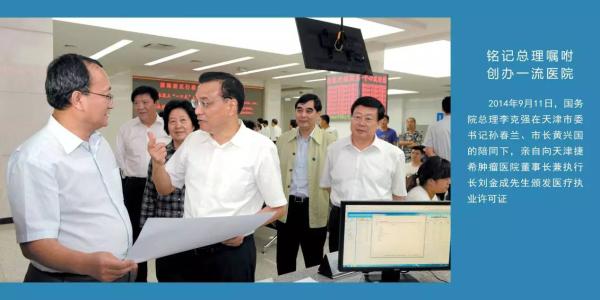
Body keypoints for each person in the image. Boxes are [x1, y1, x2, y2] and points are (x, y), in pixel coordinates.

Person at [6, 53, 137, 282]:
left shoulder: (100, 144)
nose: (112, 103)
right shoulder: (35, 158)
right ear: (78, 99)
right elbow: (35, 244)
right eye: (107, 95)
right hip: (72, 280)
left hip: (117, 273)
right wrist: (87, 264)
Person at [147, 71, 287, 282]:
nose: (198, 111)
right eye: (197, 103)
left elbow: (278, 207)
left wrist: (244, 228)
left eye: (205, 103)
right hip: (189, 246)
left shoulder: (260, 148)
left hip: (231, 254)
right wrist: (158, 164)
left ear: (230, 105)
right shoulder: (194, 140)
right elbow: (165, 188)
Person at [320, 96, 407, 252]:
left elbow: (398, 196)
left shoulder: (394, 154)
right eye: (357, 117)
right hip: (340, 218)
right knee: (340, 267)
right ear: (351, 118)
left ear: (380, 123)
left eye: (368, 119)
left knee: (374, 267)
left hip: (378, 219)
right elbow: (327, 185)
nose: (361, 123)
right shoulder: (334, 149)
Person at [275, 94, 336, 275]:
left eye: (309, 111)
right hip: (287, 208)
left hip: (315, 207)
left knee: (314, 261)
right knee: (284, 260)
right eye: (299, 110)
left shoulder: (330, 142)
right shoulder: (283, 140)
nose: (303, 115)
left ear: (318, 114)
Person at [140, 100, 199, 282]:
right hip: (168, 233)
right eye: (172, 121)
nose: (178, 126)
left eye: (183, 120)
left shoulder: (204, 154)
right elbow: (149, 195)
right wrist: (146, 233)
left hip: (198, 234)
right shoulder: (160, 154)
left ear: (193, 123)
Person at [115, 85, 169, 282]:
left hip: (163, 186)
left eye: (145, 102)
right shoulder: (126, 129)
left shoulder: (167, 126)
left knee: (164, 235)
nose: (140, 107)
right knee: (136, 238)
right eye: (136, 103)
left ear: (156, 103)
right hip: (134, 187)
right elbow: (120, 159)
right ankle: (139, 283)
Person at [423, 96, 451, 162]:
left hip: (441, 169)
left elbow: (428, 150)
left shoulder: (433, 126)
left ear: (442, 109)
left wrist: (441, 164)